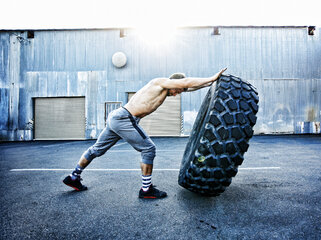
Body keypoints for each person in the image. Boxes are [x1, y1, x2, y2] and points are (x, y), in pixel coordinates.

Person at [63, 68, 227, 199]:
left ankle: (74, 177)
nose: (178, 94)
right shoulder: (160, 82)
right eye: (178, 90)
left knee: (96, 150)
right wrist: (211, 78)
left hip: (118, 118)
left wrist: (209, 85)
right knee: (149, 148)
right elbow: (186, 82)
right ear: (174, 82)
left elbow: (188, 86)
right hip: (125, 119)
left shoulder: (167, 89)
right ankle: (146, 189)